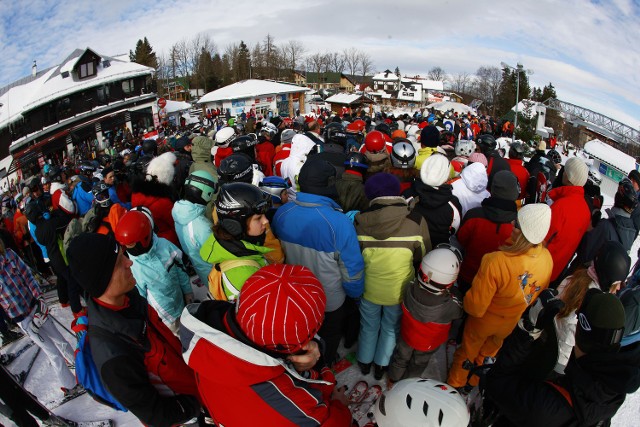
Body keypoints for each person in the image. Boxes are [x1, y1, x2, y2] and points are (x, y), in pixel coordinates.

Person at [180, 264, 353, 426]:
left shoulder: (204, 339)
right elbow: (335, 420)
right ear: (296, 344)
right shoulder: (295, 404)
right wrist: (338, 402)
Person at [67, 233, 202, 426]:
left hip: (193, 386)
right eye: (118, 262)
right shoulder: (112, 354)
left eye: (124, 254)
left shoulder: (131, 299)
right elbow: (154, 414)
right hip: (185, 417)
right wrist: (197, 404)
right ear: (102, 279)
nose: (129, 263)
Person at [485, 290, 640, 427]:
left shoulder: (545, 405)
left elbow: (496, 382)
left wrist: (528, 328)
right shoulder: (610, 393)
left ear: (580, 333)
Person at [447, 203, 553, 390]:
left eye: (517, 224)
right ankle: (473, 383)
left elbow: (475, 307)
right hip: (510, 324)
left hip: (483, 322)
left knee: (466, 353)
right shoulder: (547, 259)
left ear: (523, 234)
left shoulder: (496, 261)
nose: (512, 223)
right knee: (487, 354)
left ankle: (455, 384)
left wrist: (464, 301)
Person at [271, 158, 364, 366]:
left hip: (294, 296)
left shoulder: (282, 213)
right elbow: (352, 271)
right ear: (329, 185)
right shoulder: (339, 222)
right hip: (329, 301)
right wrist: (355, 295)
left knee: (301, 339)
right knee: (329, 338)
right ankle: (326, 366)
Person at [354, 173, 432, 381]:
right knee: (390, 327)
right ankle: (381, 365)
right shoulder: (416, 220)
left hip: (368, 288)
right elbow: (423, 255)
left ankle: (364, 361)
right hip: (399, 291)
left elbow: (355, 256)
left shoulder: (360, 220)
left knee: (368, 324)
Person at [0, 239, 78, 396]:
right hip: (23, 318)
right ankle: (69, 385)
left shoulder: (9, 256)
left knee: (60, 340)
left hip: (34, 306)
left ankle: (81, 367)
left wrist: (40, 300)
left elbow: (27, 276)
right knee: (52, 351)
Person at [387, 246, 463, 386]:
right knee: (418, 364)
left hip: (407, 335)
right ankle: (406, 384)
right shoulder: (450, 306)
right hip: (428, 344)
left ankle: (393, 379)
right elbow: (459, 312)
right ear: (449, 283)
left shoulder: (409, 288)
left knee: (400, 358)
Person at [554, 241, 631, 375]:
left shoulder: (574, 278)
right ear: (608, 279)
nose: (618, 288)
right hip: (561, 361)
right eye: (617, 283)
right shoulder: (595, 305)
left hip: (548, 343)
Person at [115, 210, 193, 333]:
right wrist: (150, 320)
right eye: (126, 245)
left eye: (130, 245)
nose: (128, 249)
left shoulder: (165, 246)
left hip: (181, 301)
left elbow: (180, 269)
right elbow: (140, 298)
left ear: (144, 239)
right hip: (165, 317)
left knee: (189, 328)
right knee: (177, 337)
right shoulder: (133, 266)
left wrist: (187, 291)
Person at [200, 182, 273, 301]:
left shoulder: (230, 247)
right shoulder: (244, 275)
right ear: (234, 225)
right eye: (258, 218)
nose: (266, 221)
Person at [456, 171, 519, 295]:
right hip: (497, 285)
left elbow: (461, 239)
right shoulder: (519, 227)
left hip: (468, 275)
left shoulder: (473, 215)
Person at [545, 156, 591, 283]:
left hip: (540, 267)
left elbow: (542, 238)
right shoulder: (585, 211)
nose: (563, 172)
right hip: (557, 269)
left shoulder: (561, 206)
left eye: (566, 170)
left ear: (570, 177)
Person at [404, 153, 462, 247]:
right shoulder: (453, 203)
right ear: (446, 174)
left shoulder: (408, 194)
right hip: (438, 250)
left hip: (410, 247)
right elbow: (454, 228)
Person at [172, 171, 217, 286]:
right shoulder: (202, 226)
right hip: (214, 274)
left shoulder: (179, 212)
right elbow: (217, 255)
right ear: (207, 193)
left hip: (200, 268)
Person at [131, 151, 180, 246]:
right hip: (169, 241)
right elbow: (175, 224)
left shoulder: (136, 193)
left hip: (151, 239)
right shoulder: (163, 202)